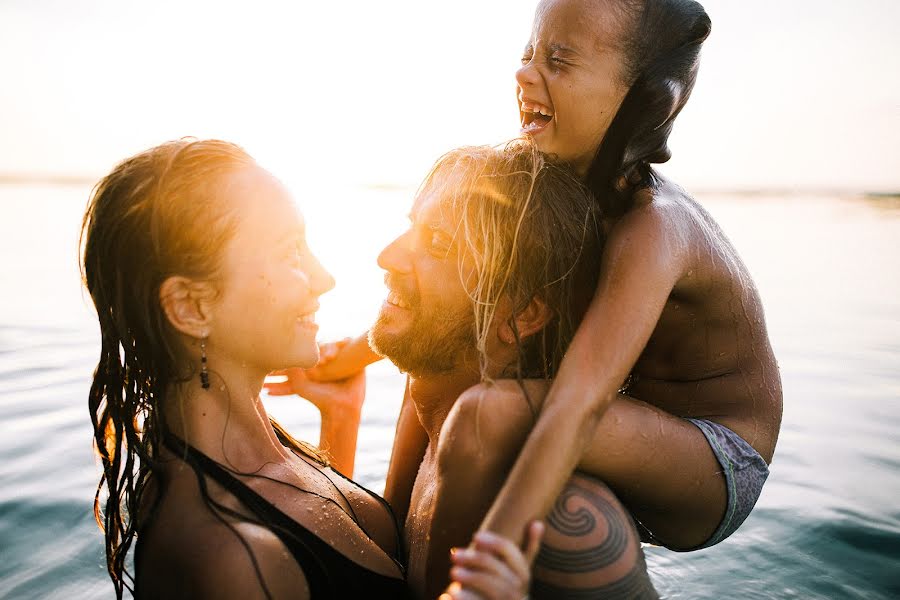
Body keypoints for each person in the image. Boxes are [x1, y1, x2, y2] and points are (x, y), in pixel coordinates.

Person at [300, 0, 782, 583]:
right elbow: (458, 297)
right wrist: (356, 352)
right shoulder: (557, 181)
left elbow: (581, 400)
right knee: (439, 360)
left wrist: (500, 551)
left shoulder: (654, 229)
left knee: (489, 413)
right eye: (529, 54)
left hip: (712, 460)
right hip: (629, 420)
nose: (525, 74)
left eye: (559, 61)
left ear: (646, 99)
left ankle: (469, 581)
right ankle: (402, 560)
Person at [80, 138, 542, 600]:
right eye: (289, 253)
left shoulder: (248, 452)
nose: (324, 278)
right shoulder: (227, 558)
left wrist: (341, 419)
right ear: (191, 306)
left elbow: (321, 560)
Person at [270, 140, 659, 599]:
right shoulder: (429, 417)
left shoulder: (570, 524)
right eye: (411, 228)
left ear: (524, 316)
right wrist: (340, 419)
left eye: (438, 244)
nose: (388, 257)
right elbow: (381, 574)